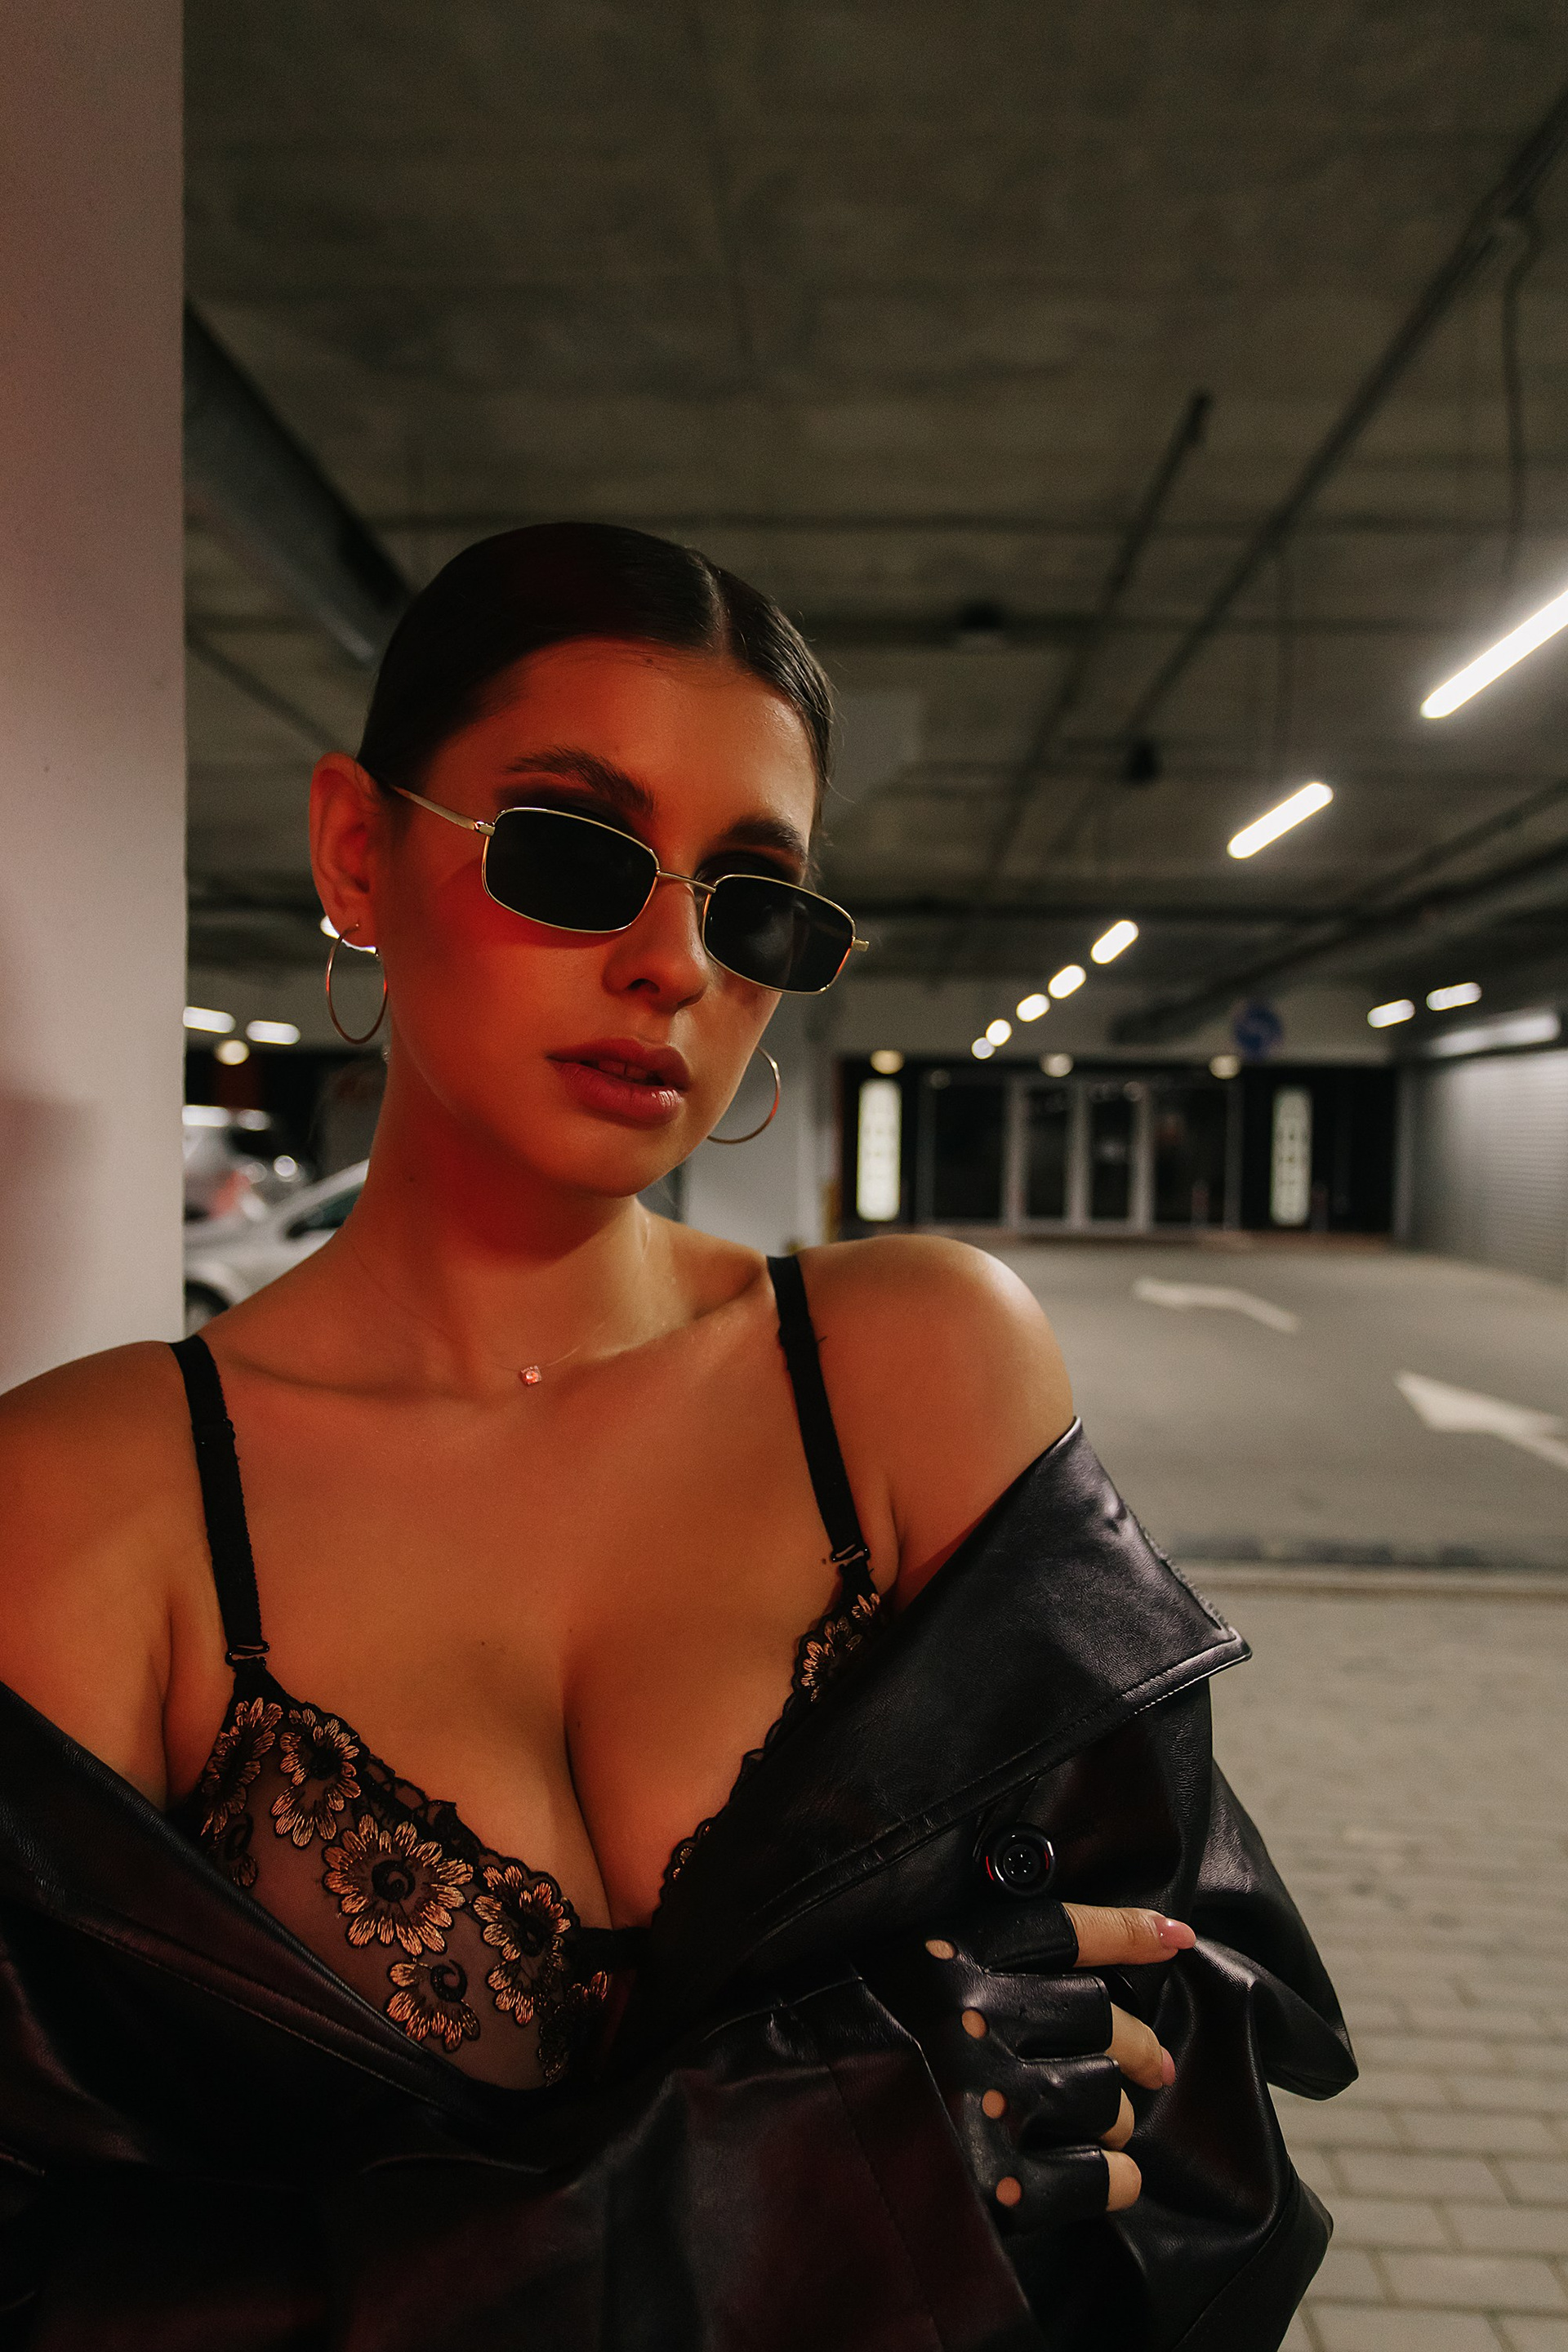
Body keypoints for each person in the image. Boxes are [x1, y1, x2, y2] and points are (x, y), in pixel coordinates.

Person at [0, 523, 1352, 2350]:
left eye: (751, 900)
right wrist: (777, 2184)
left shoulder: (913, 1371)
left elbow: (1184, 2092)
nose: (671, 963)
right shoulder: (94, 1499)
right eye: (573, 852)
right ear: (355, 850)